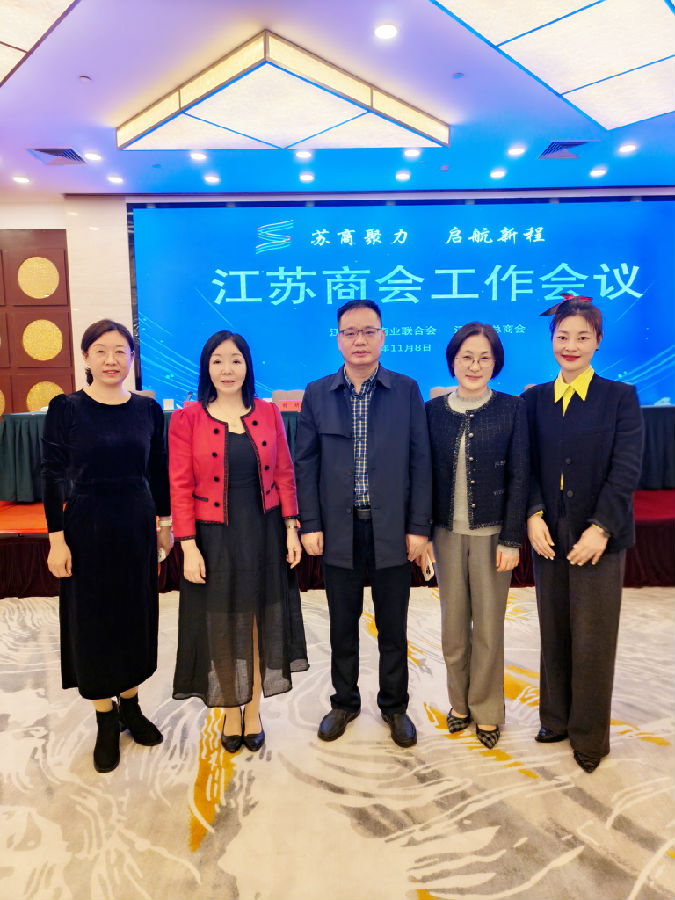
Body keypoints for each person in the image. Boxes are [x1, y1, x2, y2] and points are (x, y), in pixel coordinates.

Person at [294, 299, 432, 748]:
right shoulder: (317, 393)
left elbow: (421, 462)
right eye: (350, 332)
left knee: (393, 626)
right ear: (338, 339)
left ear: (382, 337)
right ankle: (344, 702)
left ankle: (394, 706)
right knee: (342, 625)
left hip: (392, 528)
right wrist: (310, 523)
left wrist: (419, 527)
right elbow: (305, 465)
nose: (359, 340)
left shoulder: (406, 390)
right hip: (339, 530)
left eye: (368, 331)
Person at [42, 319, 171, 774]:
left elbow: (158, 470)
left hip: (135, 525)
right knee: (93, 623)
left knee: (135, 617)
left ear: (132, 357)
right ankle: (105, 717)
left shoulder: (148, 410)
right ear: (86, 357)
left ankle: (131, 706)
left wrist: (165, 523)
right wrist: (56, 539)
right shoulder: (67, 408)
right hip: (86, 529)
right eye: (101, 350)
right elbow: (51, 475)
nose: (111, 360)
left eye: (121, 351)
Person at [168, 330, 307, 753]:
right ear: (206, 368)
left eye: (235, 360)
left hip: (264, 531)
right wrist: (188, 545)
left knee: (260, 621)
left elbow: (285, 473)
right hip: (213, 536)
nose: (227, 369)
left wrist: (291, 528)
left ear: (247, 366)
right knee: (222, 623)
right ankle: (231, 710)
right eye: (218, 361)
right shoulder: (187, 418)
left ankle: (254, 710)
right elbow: (179, 485)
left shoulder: (268, 412)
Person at [524, 297, 643, 773]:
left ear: (598, 342)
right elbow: (527, 466)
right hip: (548, 531)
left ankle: (590, 736)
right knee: (553, 628)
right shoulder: (534, 399)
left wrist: (601, 528)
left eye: (582, 337)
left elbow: (626, 469)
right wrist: (532, 514)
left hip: (598, 534)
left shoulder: (619, 397)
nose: (570, 345)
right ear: (551, 340)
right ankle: (555, 719)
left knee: (593, 636)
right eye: (562, 337)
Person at [425, 323, 529, 749]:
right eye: (466, 356)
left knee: (488, 628)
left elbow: (521, 476)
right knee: (453, 628)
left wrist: (512, 539)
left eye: (484, 357)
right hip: (445, 535)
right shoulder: (432, 411)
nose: (474, 365)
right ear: (453, 360)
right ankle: (459, 705)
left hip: (492, 537)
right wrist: (423, 536)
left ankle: (487, 711)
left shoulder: (512, 409)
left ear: (496, 363)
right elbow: (423, 476)